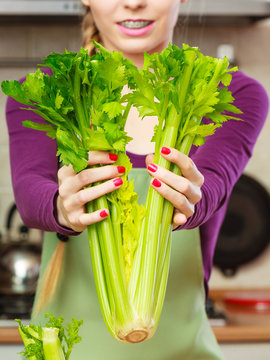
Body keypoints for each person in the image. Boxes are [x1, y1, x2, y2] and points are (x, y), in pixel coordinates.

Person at [5, 0, 269, 359]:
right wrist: (60, 208)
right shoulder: (47, 90)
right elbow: (30, 189)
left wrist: (193, 199)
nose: (133, 1)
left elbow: (213, 184)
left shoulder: (232, 93)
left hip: (182, 351)